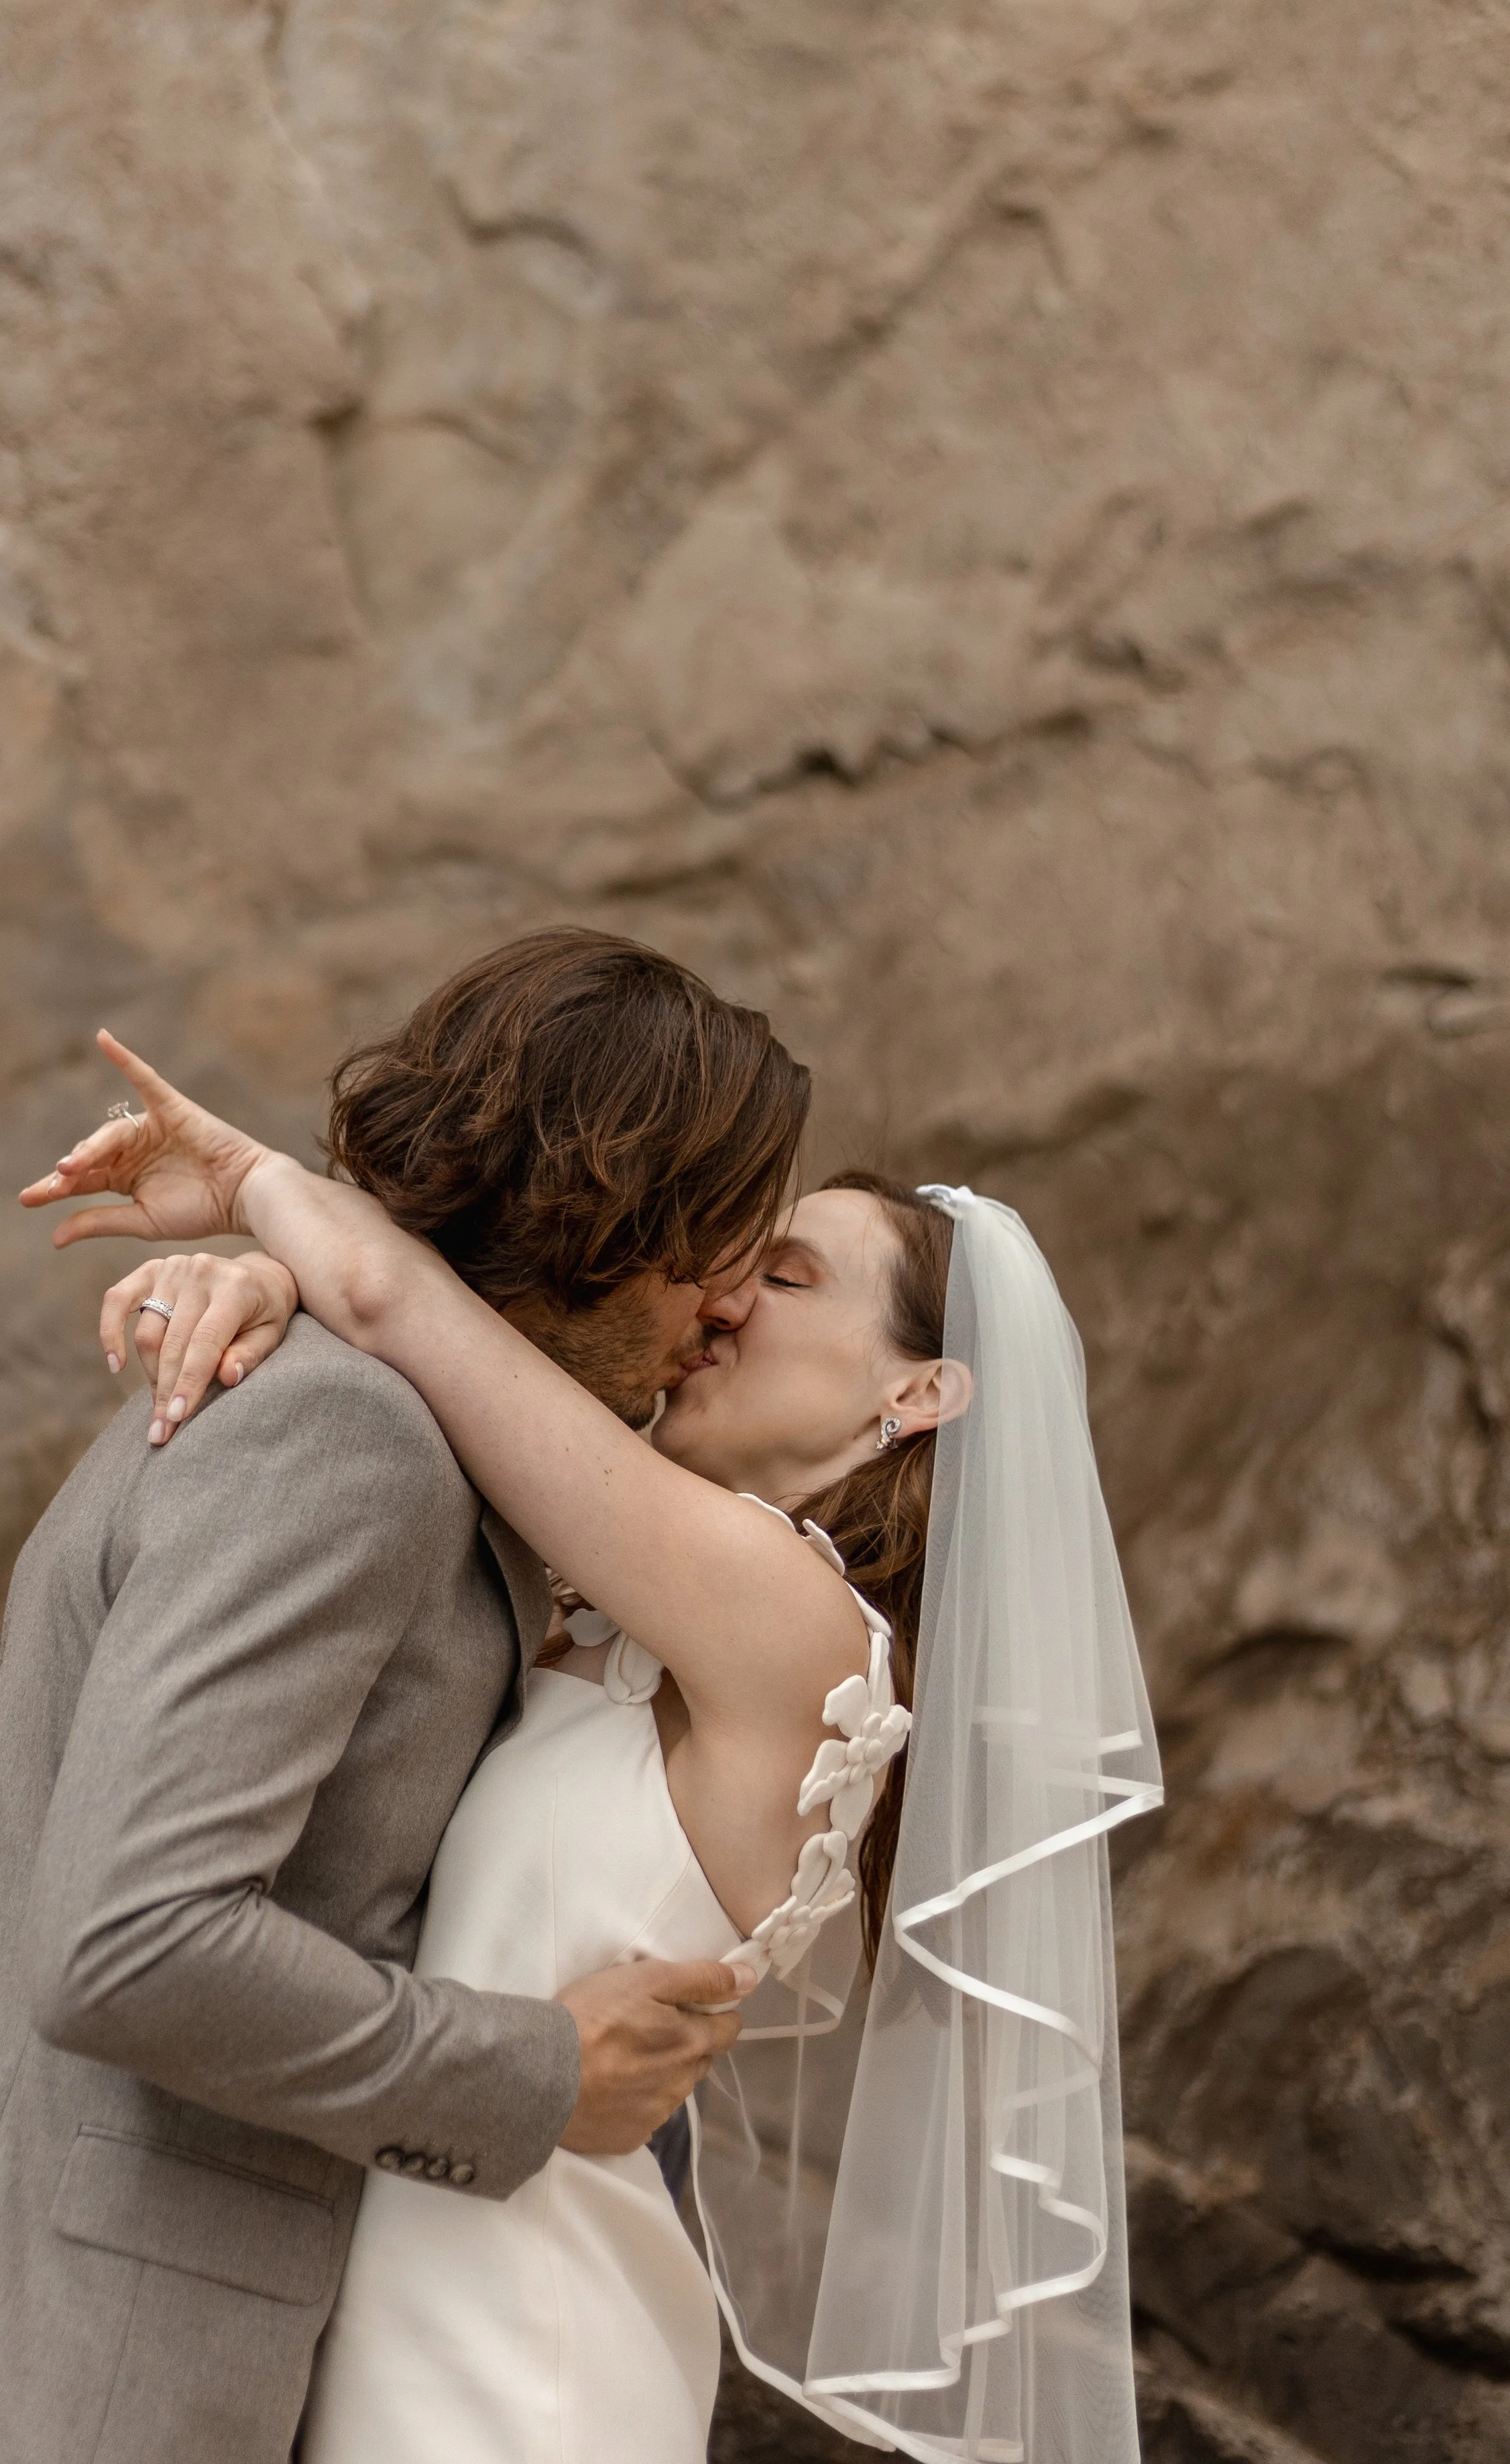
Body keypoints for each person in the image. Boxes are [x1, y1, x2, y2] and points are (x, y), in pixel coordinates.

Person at [31, 1038, 1164, 2462]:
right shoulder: (607, 1597)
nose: (730, 1300)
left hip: (522, 2339)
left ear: (919, 1395)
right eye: (738, 1266)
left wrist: (262, 1197)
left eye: (792, 1279)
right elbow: (452, 1369)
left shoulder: (802, 1631)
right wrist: (267, 1285)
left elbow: (408, 1311)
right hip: (371, 2287)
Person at [1, 930, 809, 2464]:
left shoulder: (372, 1424)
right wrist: (539, 2074)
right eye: (722, 1239)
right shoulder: (344, 1442)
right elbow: (129, 1941)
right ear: (611, 1205)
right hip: (121, 2359)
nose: (732, 1302)